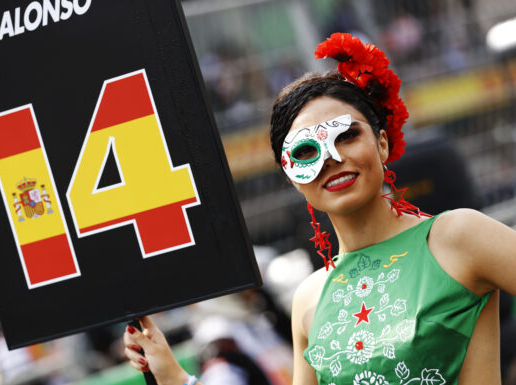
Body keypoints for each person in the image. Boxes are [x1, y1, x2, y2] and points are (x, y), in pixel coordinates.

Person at [123, 33, 516, 385]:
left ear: (381, 143)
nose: (331, 158)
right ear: (292, 176)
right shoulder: (309, 298)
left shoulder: (458, 237)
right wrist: (175, 378)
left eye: (346, 135)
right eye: (307, 151)